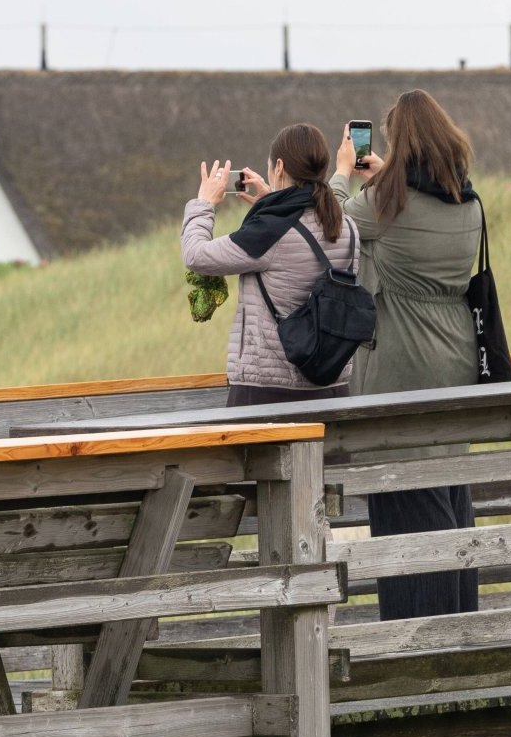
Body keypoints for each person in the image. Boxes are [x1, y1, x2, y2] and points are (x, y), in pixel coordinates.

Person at [330, 89, 483, 621]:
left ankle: (421, 648)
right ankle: (462, 625)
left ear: (401, 140)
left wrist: (344, 169)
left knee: (405, 512)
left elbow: (332, 220)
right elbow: (410, 232)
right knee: (449, 498)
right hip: (458, 363)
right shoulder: (468, 202)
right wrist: (384, 180)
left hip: (401, 364)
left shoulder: (384, 204)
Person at [181, 124, 360, 407]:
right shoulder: (346, 224)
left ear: (279, 167)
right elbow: (300, 241)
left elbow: (196, 256)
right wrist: (271, 202)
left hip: (269, 394)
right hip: (334, 390)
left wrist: (204, 204)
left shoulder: (270, 232)